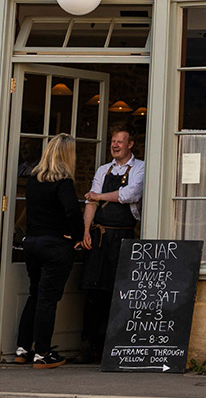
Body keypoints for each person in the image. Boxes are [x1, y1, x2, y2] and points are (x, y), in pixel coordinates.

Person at [15, 134, 79, 369]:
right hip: (54, 245)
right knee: (47, 299)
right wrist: (77, 236)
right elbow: (72, 212)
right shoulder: (63, 182)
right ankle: (42, 353)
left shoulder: (33, 180)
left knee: (35, 294)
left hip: (31, 243)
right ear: (67, 155)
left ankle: (22, 349)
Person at [80, 127, 144, 358]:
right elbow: (90, 201)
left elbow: (131, 194)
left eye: (120, 142)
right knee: (93, 290)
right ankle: (91, 345)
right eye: (113, 142)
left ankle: (114, 344)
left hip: (122, 237)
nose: (115, 145)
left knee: (117, 290)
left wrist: (98, 196)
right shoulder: (103, 170)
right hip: (98, 238)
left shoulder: (140, 167)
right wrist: (86, 230)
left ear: (130, 145)